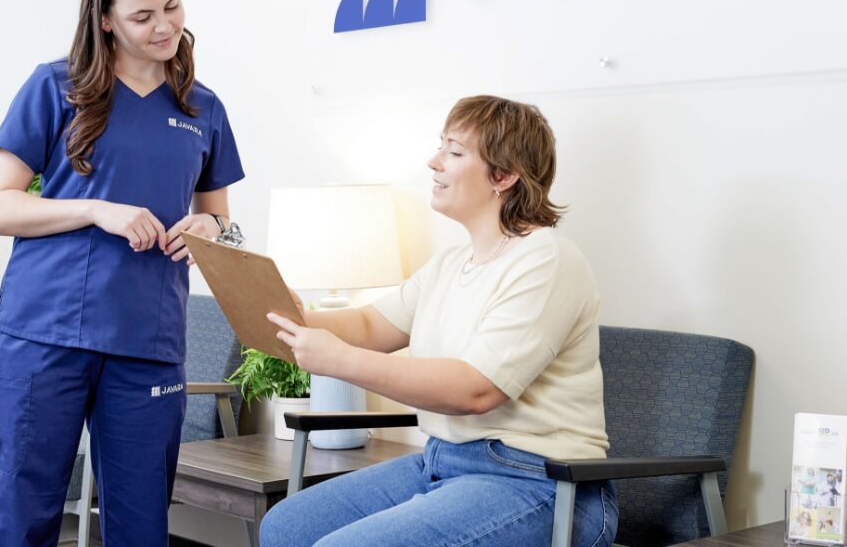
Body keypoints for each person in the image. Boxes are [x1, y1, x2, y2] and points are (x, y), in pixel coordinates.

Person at [0, 0, 244, 546]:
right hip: (43, 334)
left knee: (142, 527)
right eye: (143, 16)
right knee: (19, 521)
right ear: (105, 19)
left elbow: (221, 219)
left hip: (147, 339)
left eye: (172, 7)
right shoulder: (55, 87)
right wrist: (97, 210)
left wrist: (209, 229)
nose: (165, 26)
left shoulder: (203, 108)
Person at [259, 96, 616, 547]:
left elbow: (475, 389)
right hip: (440, 462)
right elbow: (372, 325)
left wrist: (339, 361)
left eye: (454, 151)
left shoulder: (547, 259)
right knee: (285, 527)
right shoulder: (451, 263)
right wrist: (298, 317)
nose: (433, 162)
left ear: (503, 176)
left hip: (542, 482)